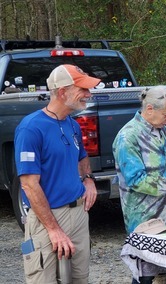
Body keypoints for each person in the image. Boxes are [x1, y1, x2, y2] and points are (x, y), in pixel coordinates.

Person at [14, 64, 99, 283]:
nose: (89, 94)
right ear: (62, 92)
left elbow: (82, 156)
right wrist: (54, 230)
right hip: (46, 219)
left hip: (78, 214)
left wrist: (88, 180)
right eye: (83, 89)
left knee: (80, 279)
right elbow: (29, 185)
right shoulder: (31, 128)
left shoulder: (72, 124)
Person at [112, 85, 166, 284]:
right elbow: (136, 180)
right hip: (145, 220)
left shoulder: (165, 132)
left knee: (165, 271)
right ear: (149, 109)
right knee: (144, 275)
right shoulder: (128, 137)